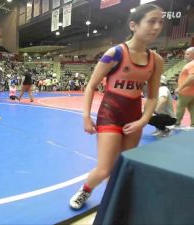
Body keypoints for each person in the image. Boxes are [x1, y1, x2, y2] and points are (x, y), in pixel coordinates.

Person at [69, 4, 164, 210]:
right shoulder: (116, 53)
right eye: (151, 21)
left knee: (124, 165)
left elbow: (152, 95)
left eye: (160, 22)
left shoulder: (156, 60)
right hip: (110, 113)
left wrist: (143, 120)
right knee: (104, 169)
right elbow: (91, 85)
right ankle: (85, 190)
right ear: (134, 25)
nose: (157, 27)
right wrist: (86, 116)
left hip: (134, 116)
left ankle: (114, 200)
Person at [175, 47, 194, 128]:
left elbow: (192, 77)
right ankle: (193, 125)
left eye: (187, 54)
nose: (185, 55)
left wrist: (180, 88)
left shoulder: (192, 64)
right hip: (192, 92)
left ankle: (176, 124)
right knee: (193, 108)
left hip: (186, 92)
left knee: (180, 108)